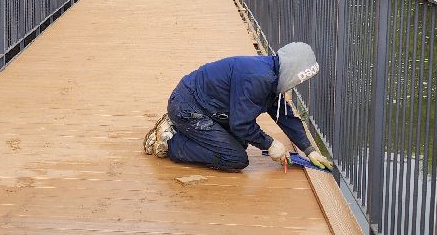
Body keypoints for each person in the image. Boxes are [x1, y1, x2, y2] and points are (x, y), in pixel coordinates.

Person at [142, 42, 335, 172]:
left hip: (199, 105)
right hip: (189, 109)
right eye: (298, 78)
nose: (295, 84)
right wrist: (270, 144)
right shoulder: (259, 79)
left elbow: (284, 115)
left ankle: (180, 128)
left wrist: (309, 150)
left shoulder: (270, 73)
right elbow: (241, 125)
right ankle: (171, 141)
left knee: (241, 143)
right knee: (235, 158)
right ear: (292, 72)